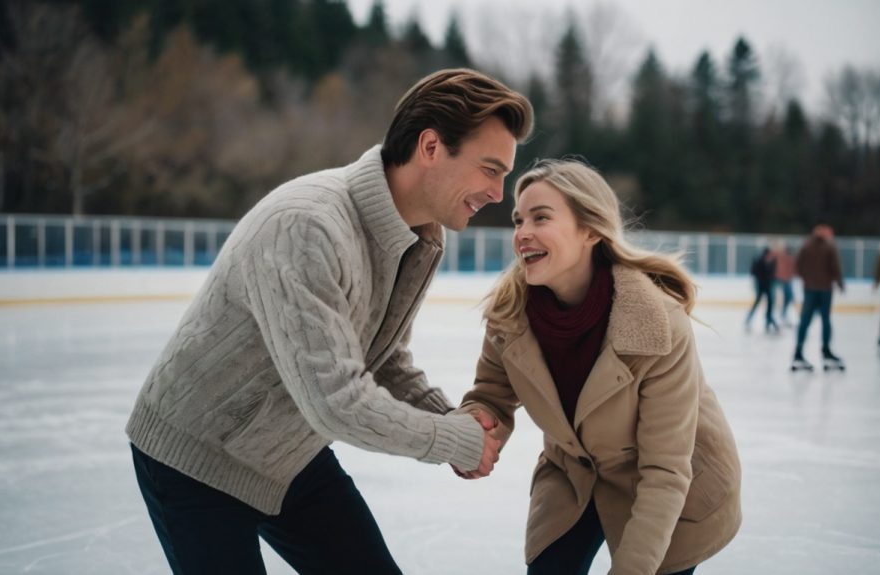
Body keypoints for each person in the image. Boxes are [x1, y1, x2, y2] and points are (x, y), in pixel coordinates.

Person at [125, 68, 534, 574]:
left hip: (288, 451)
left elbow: (384, 357)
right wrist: (453, 439)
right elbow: (337, 401)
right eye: (490, 169)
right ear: (431, 146)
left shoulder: (422, 235)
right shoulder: (306, 226)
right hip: (197, 458)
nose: (498, 193)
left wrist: (450, 418)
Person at [457, 159, 741, 574]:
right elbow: (491, 396)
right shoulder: (509, 315)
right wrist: (476, 428)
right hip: (573, 474)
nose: (522, 233)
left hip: (671, 493)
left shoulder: (658, 326)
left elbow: (665, 470)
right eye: (518, 220)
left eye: (541, 217)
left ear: (590, 231)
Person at [791, 224, 846, 371]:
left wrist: (806, 279)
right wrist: (839, 282)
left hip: (810, 288)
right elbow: (835, 266)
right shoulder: (829, 246)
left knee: (805, 321)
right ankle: (825, 350)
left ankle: (798, 352)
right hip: (825, 289)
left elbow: (798, 265)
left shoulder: (806, 245)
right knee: (825, 320)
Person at [745, 246, 779, 333]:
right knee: (758, 302)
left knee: (770, 303)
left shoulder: (772, 262)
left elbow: (773, 274)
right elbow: (754, 272)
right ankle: (748, 319)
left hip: (768, 286)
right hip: (760, 286)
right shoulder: (759, 261)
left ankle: (768, 321)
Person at [771, 240, 796, 326]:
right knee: (774, 299)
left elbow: (794, 270)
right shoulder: (778, 255)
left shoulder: (791, 258)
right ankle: (775, 316)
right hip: (777, 279)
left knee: (789, 297)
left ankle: (783, 315)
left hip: (786, 280)